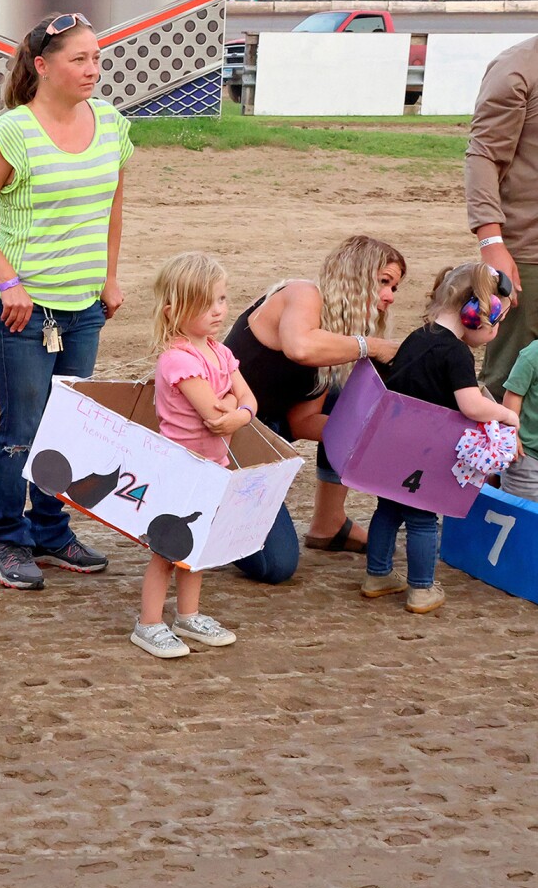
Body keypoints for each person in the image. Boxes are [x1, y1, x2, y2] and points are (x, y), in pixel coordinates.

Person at [0, 11, 131, 592]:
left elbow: (111, 206)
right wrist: (9, 281)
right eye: (79, 59)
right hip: (21, 311)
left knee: (69, 427)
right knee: (23, 427)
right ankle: (6, 538)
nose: (92, 69)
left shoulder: (110, 123)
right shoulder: (12, 132)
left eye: (96, 58)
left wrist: (109, 278)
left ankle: (52, 532)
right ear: (42, 67)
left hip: (84, 308)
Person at [223, 236, 405, 583]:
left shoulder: (338, 336)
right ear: (356, 275)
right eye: (383, 282)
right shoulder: (302, 293)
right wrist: (374, 346)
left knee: (352, 396)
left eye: (394, 287)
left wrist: (375, 432)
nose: (390, 297)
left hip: (266, 431)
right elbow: (299, 347)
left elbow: (303, 421)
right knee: (277, 566)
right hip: (223, 436)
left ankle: (329, 522)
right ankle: (214, 517)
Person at [363, 263, 518, 613]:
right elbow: (470, 404)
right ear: (476, 314)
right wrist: (506, 415)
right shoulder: (456, 353)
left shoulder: (419, 336)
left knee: (388, 506)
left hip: (394, 440)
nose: (495, 332)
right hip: (426, 450)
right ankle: (421, 589)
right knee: (423, 516)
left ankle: (377, 575)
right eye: (497, 322)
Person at [130, 253, 256, 659]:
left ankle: (188, 614)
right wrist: (236, 409)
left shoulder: (220, 352)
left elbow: (246, 402)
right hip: (180, 470)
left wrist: (237, 410)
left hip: (212, 467)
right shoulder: (178, 359)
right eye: (207, 303)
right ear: (174, 309)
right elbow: (214, 416)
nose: (219, 311)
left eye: (221, 299)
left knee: (197, 546)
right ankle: (148, 623)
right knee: (167, 551)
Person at [468, 36, 538, 402]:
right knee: (511, 379)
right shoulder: (519, 68)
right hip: (529, 255)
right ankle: (500, 458)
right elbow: (483, 155)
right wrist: (491, 242)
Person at [499, 338, 538, 499]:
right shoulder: (533, 354)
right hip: (528, 455)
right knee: (520, 512)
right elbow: (514, 394)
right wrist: (512, 434)